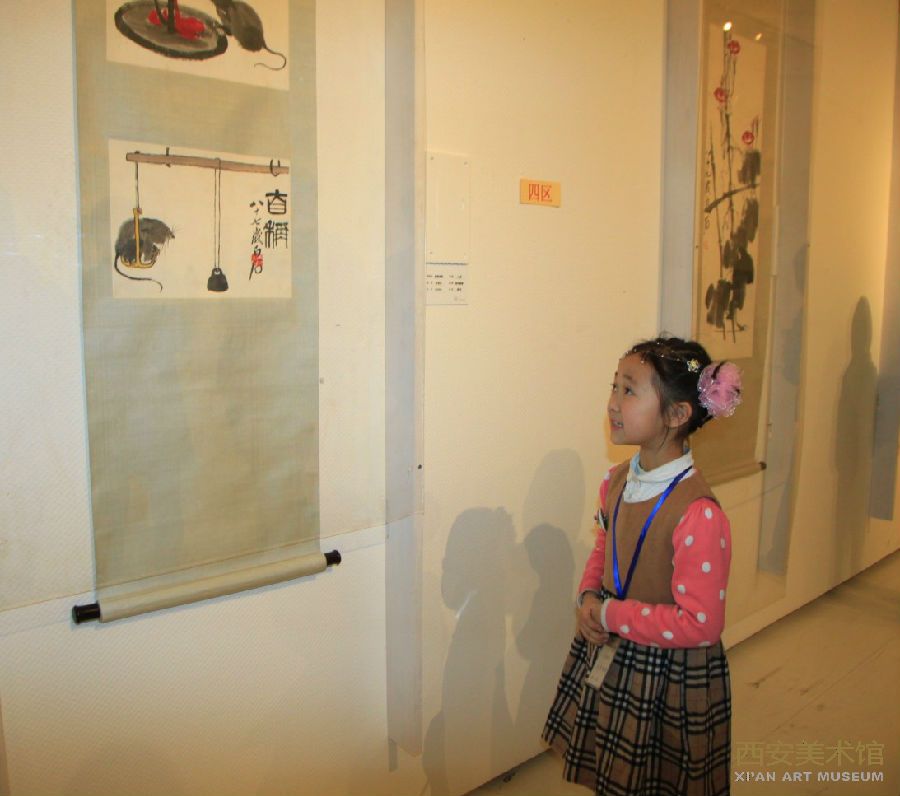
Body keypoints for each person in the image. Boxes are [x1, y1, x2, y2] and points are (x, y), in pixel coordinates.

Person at [542, 336, 743, 795]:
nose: (613, 403)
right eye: (614, 387)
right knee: (616, 773)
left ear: (676, 414)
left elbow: (702, 624)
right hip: (616, 652)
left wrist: (612, 614)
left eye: (629, 390)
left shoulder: (698, 514)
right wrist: (588, 596)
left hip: (670, 674)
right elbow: (605, 546)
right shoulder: (616, 481)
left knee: (660, 780)